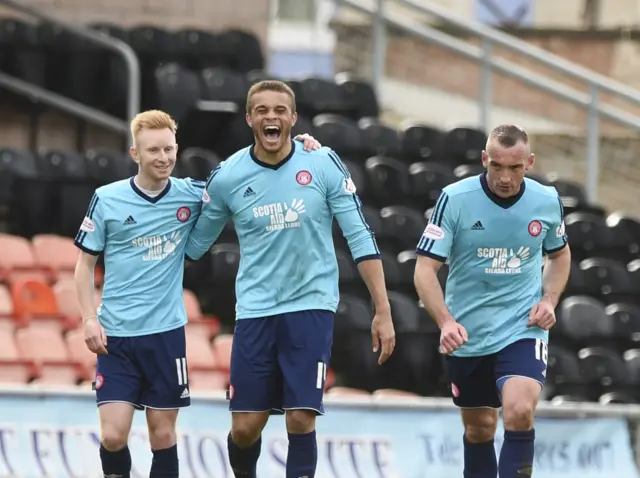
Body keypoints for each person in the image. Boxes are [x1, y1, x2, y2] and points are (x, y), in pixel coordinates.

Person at [73, 109, 322, 478]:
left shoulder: (191, 194)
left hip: (165, 334)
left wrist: (296, 148)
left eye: (169, 149)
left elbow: (243, 174)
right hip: (116, 336)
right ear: (135, 154)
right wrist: (89, 318)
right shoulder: (107, 199)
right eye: (153, 150)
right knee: (112, 436)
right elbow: (83, 265)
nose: (163, 158)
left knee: (162, 434)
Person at [184, 80, 396, 478]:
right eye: (262, 110)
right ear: (249, 119)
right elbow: (194, 246)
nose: (271, 117)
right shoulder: (228, 176)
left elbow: (359, 236)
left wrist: (382, 309)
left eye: (280, 110)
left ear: (293, 118)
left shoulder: (322, 163)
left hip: (310, 305)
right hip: (255, 311)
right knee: (246, 428)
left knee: (301, 417)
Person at [413, 124, 571, 478]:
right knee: (480, 427)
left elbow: (560, 256)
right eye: (496, 166)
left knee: (519, 410)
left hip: (522, 327)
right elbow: (424, 270)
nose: (504, 177)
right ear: (484, 159)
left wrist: (549, 300)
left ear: (529, 163)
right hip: (468, 333)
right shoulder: (455, 199)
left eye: (514, 168)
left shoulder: (545, 200)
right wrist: (445, 322)